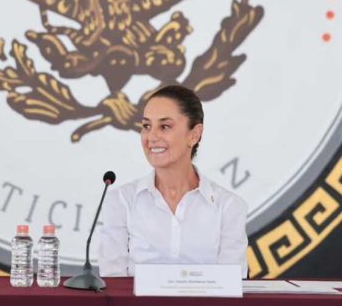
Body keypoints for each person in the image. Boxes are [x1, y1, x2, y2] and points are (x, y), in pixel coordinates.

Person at [98, 85, 248, 277]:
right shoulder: (120, 201)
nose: (151, 137)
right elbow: (113, 286)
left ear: (194, 134)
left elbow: (232, 288)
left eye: (165, 126)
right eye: (146, 126)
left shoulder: (229, 207)